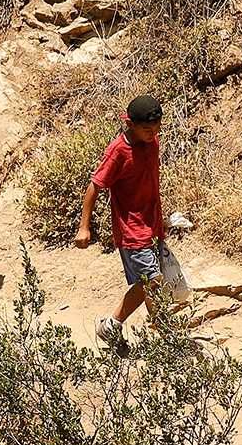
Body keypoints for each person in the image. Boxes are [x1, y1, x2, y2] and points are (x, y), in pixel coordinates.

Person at [74, 95, 179, 345]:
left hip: (152, 225)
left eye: (157, 128)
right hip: (131, 229)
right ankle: (166, 339)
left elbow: (150, 183)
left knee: (147, 284)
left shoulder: (151, 143)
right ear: (130, 124)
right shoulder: (118, 151)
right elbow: (95, 187)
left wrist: (160, 219)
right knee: (151, 281)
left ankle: (111, 327)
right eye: (147, 129)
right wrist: (84, 227)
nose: (153, 133)